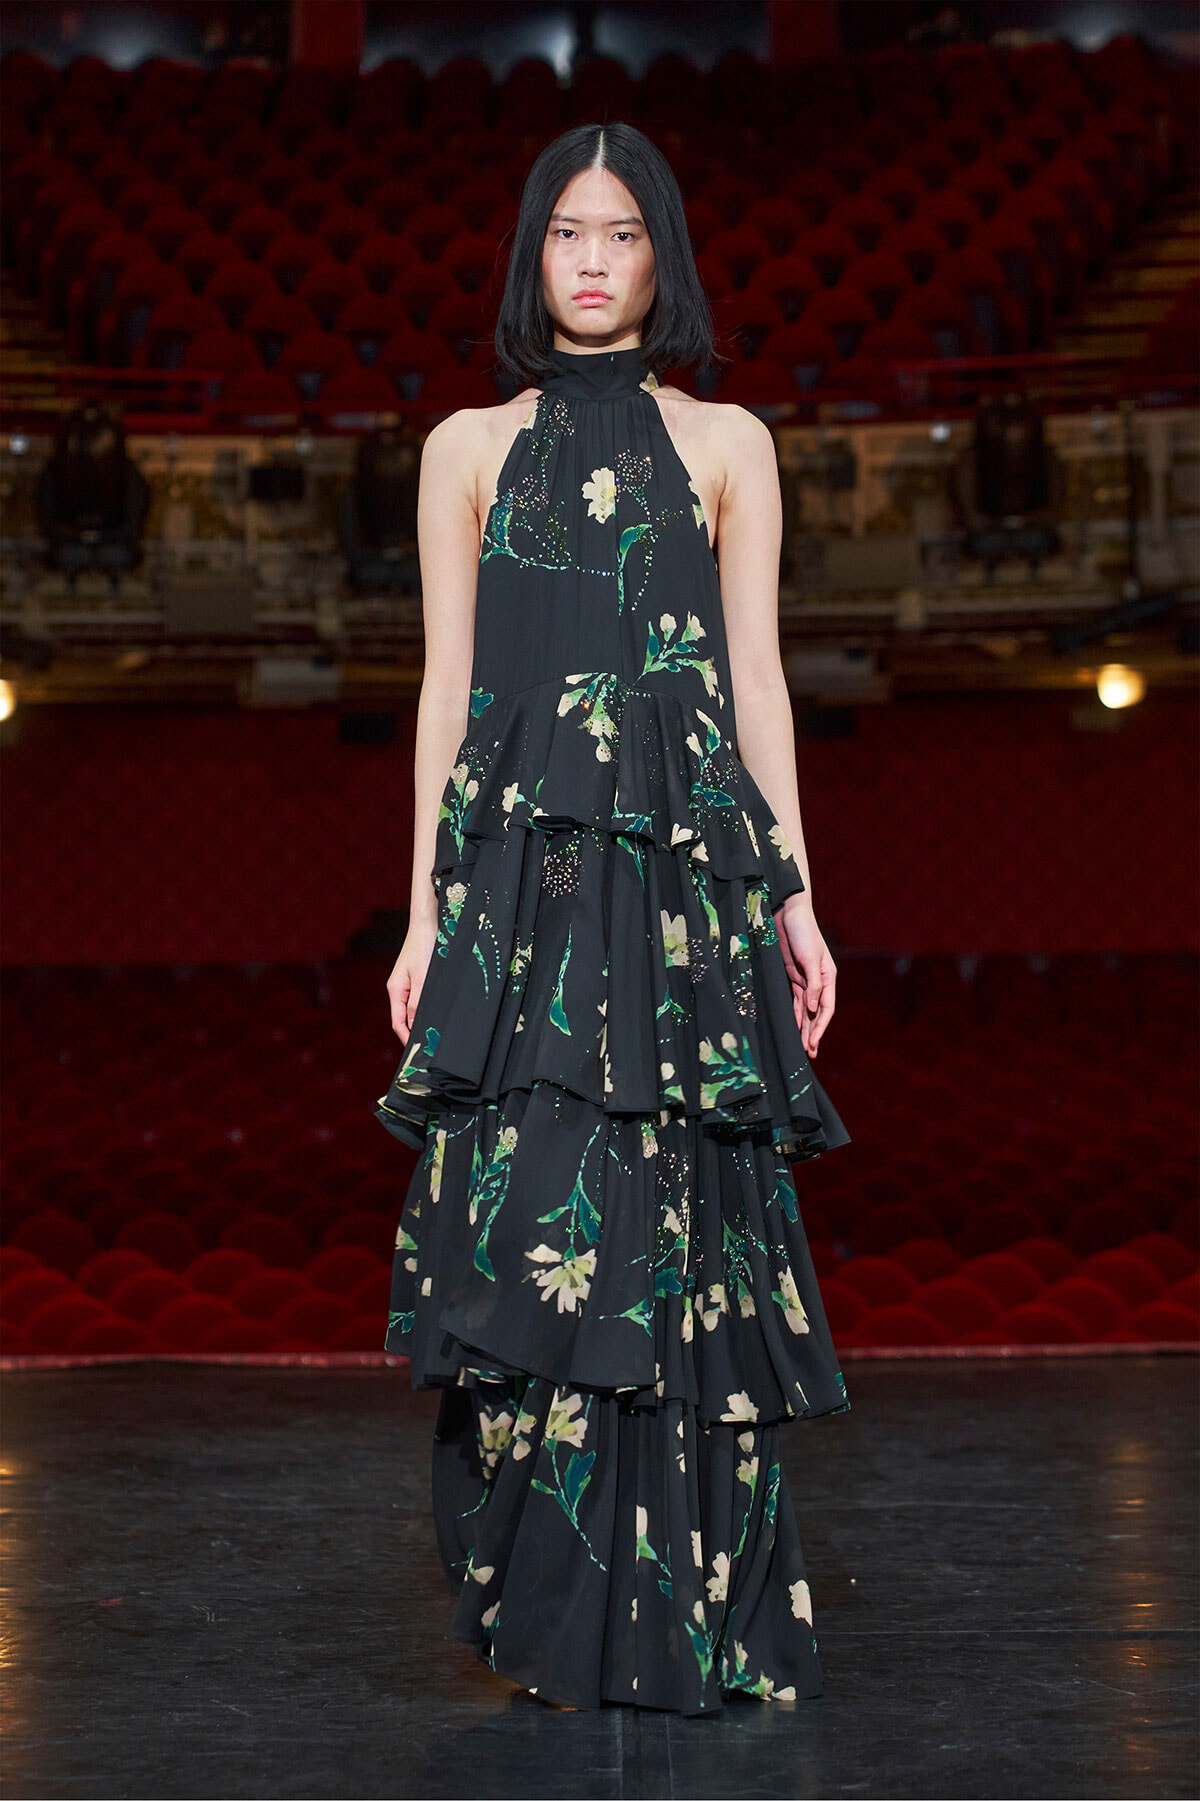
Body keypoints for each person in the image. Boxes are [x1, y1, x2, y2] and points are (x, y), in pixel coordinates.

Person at [373, 121, 852, 1716]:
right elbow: (448, 686)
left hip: (681, 884)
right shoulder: (460, 446)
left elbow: (757, 682)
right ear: (534, 253)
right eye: (568, 232)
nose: (592, 258)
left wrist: (796, 897)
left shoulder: (730, 443)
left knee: (676, 1221)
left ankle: (684, 1614)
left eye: (623, 233)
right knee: (542, 1228)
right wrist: (428, 916)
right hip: (521, 891)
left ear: (664, 257)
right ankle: (550, 1601)